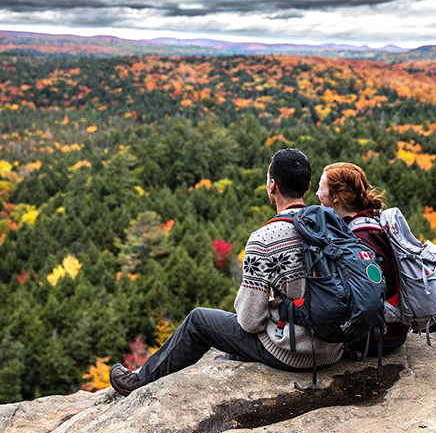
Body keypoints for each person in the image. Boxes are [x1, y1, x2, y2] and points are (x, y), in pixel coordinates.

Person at [110, 149, 343, 397]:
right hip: (334, 346)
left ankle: (139, 381)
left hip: (294, 353)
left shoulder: (264, 239)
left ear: (272, 186)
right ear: (308, 186)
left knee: (198, 320)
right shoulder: (331, 225)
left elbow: (250, 321)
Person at [316, 162, 408, 357]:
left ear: (335, 197)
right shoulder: (372, 221)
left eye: (320, 188)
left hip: (379, 339)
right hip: (394, 330)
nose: (316, 194)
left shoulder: (360, 239)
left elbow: (365, 300)